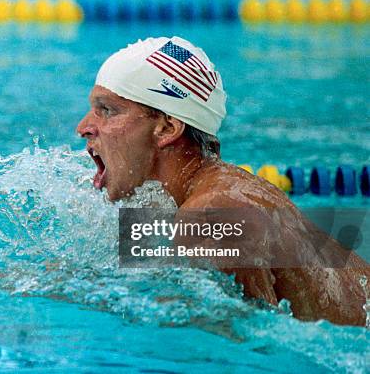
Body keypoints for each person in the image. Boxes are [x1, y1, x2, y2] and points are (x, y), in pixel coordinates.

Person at [76, 36, 369, 326]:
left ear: (166, 128)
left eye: (107, 110)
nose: (84, 128)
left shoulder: (211, 216)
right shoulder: (205, 196)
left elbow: (252, 347)